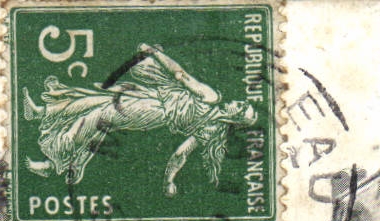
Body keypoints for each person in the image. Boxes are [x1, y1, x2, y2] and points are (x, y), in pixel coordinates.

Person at [22, 44, 258, 195]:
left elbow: (181, 76)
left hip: (153, 109)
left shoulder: (212, 100)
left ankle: (52, 163)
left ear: (235, 116)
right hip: (153, 98)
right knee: (98, 99)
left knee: (99, 115)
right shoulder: (211, 126)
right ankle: (43, 113)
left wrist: (155, 53)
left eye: (240, 107)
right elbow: (180, 154)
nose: (237, 102)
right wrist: (169, 182)